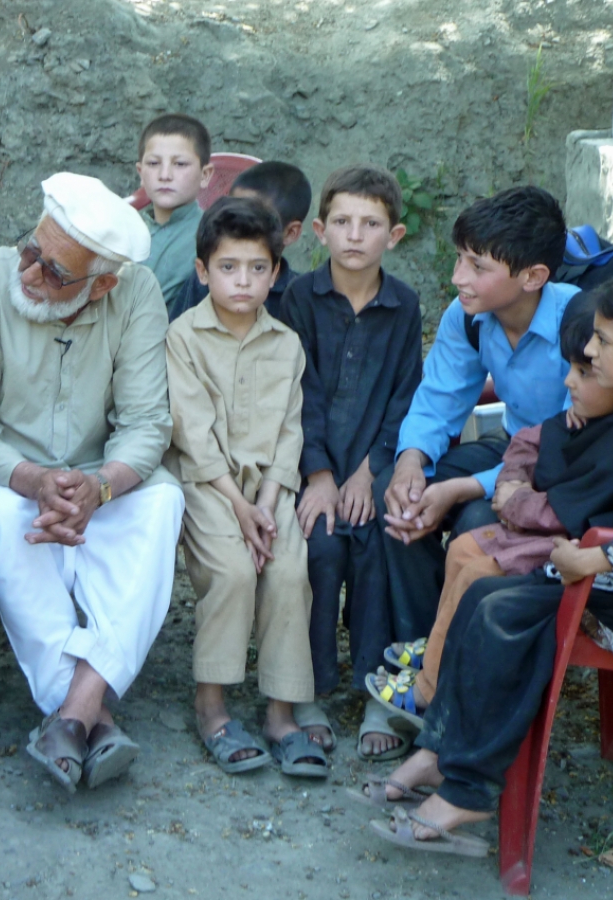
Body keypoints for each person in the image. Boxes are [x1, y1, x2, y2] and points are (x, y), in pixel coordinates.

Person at [368, 268, 613, 857]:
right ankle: (439, 749)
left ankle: (470, 788)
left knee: (508, 616)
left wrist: (591, 559)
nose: (589, 352)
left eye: (602, 343)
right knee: (484, 598)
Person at [0, 172, 184, 793]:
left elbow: (147, 424)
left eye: (54, 274)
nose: (28, 274)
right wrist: (32, 478)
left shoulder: (136, 294)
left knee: (162, 501)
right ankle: (89, 714)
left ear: (102, 286)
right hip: (5, 472)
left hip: (95, 476)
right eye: (30, 253)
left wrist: (99, 488)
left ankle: (70, 714)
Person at [368, 186, 580, 756]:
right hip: (511, 449)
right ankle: (420, 656)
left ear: (533, 277)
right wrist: (412, 464)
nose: (459, 275)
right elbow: (438, 401)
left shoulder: (578, 328)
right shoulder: (469, 319)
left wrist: (461, 487)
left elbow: (564, 454)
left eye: (477, 265)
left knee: (475, 524)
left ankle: (456, 689)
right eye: (461, 257)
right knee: (400, 505)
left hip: (563, 471)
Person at [368, 290, 613, 727]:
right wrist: (500, 478)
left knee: (477, 571)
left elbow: (558, 512)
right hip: (548, 539)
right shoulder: (583, 415)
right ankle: (437, 644)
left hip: (570, 554)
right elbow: (527, 440)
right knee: (463, 552)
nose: (568, 382)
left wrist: (511, 499)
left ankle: (427, 694)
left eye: (582, 371)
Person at [165, 196, 325, 778]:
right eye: (229, 267)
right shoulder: (183, 337)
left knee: (287, 570)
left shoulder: (286, 343)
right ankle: (212, 706)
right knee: (232, 572)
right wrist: (238, 506)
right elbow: (192, 431)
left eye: (258, 269)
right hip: (208, 485)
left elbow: (291, 431)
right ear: (203, 271)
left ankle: (281, 711)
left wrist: (265, 503)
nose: (243, 281)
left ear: (276, 274)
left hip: (269, 490)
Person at [274, 165, 422, 759]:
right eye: (342, 222)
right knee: (321, 543)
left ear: (396, 234)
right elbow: (294, 391)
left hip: (371, 465)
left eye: (371, 224)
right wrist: (319, 475)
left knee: (377, 544)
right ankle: (307, 685)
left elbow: (404, 394)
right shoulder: (296, 299)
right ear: (318, 230)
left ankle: (376, 692)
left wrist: (367, 470)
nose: (355, 235)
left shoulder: (404, 305)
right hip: (309, 464)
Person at [166, 160, 312, 321]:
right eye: (232, 213)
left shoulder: (300, 297)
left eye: (256, 218)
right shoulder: (208, 278)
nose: (239, 224)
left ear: (290, 232)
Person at [136, 112, 215, 316]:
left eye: (179, 164)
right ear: (140, 173)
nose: (165, 175)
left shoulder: (212, 235)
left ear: (205, 175)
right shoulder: (124, 229)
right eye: (153, 163)